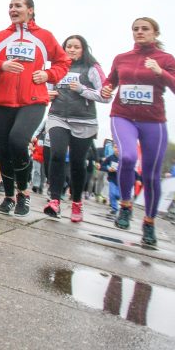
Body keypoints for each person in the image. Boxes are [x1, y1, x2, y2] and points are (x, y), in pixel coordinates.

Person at [101, 17, 175, 248]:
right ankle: (125, 206)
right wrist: (107, 88)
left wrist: (161, 72)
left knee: (150, 175)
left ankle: (149, 222)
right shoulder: (122, 58)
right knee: (128, 157)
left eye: (145, 29)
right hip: (122, 116)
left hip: (153, 121)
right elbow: (110, 83)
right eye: (135, 29)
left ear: (155, 33)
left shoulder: (165, 59)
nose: (139, 32)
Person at [0, 0, 70, 216]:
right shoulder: (1, 37)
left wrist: (48, 74)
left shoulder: (44, 37)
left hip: (33, 101)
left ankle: (24, 192)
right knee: (3, 151)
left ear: (30, 10)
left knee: (18, 141)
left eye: (18, 5)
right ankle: (10, 196)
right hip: (3, 101)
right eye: (10, 5)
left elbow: (63, 61)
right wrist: (2, 65)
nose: (12, 9)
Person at [43, 35, 110, 222]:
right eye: (68, 47)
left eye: (76, 47)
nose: (71, 50)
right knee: (56, 155)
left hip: (84, 121)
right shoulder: (56, 67)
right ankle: (54, 200)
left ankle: (77, 202)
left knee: (77, 162)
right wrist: (48, 95)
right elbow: (44, 89)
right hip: (58, 117)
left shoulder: (92, 69)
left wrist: (82, 90)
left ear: (83, 49)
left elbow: (106, 96)